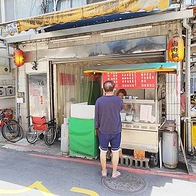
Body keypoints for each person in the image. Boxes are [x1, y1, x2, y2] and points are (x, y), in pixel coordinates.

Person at [95, 80, 123, 178]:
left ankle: (104, 171)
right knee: (115, 151)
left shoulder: (99, 101)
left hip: (103, 130)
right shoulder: (119, 100)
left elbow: (97, 116)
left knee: (103, 151)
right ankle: (114, 173)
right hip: (116, 129)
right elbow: (120, 109)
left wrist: (96, 128)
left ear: (103, 89)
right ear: (114, 89)